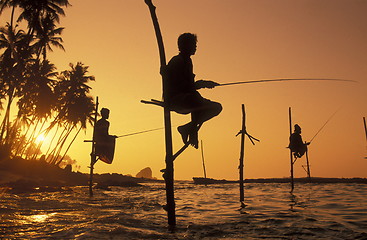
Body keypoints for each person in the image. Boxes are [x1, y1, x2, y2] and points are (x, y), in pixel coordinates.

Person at [162, 33, 222, 149]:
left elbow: (189, 86)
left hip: (188, 98)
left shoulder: (188, 61)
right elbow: (181, 86)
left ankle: (188, 128)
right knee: (195, 97)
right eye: (193, 44)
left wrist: (202, 84)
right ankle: (192, 130)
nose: (195, 47)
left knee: (216, 107)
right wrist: (202, 84)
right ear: (184, 45)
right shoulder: (177, 61)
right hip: (176, 100)